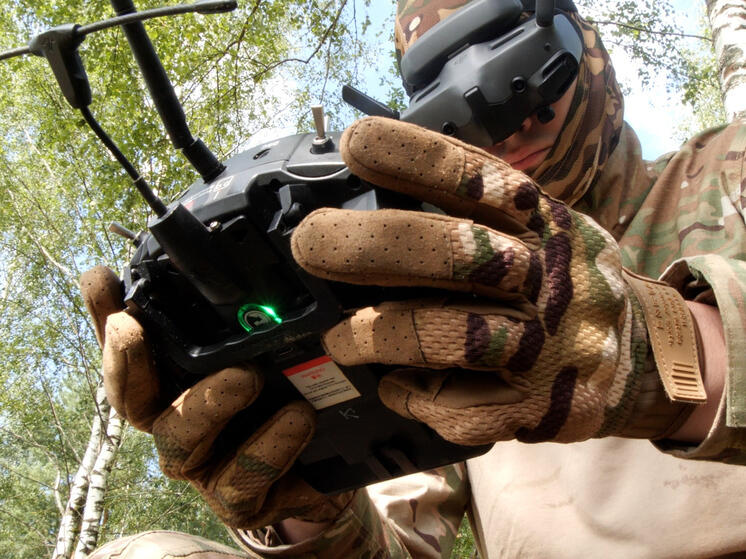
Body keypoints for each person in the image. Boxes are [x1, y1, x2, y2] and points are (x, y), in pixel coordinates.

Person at [85, 0, 746, 557]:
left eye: (532, 84)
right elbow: (396, 542)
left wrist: (653, 348)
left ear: (582, 48)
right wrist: (302, 503)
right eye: (455, 112)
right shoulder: (435, 297)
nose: (510, 130)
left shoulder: (726, 170)